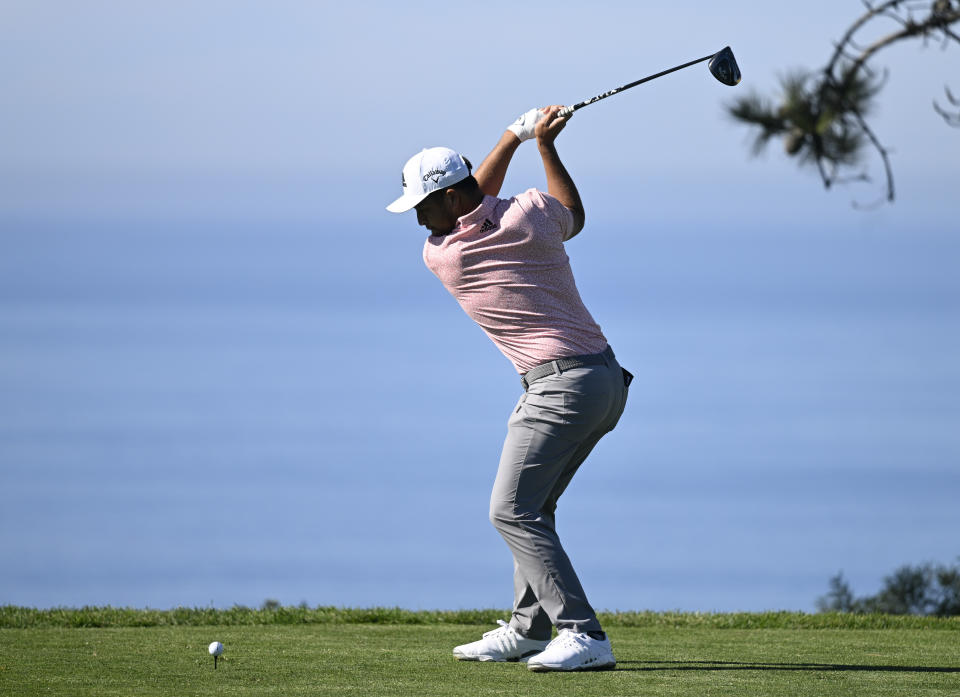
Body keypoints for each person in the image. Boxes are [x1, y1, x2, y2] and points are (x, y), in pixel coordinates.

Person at [386, 106, 631, 672]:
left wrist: (514, 136)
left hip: (559, 389)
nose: (420, 220)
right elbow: (570, 211)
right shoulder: (529, 215)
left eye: (423, 206)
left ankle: (582, 633)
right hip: (603, 381)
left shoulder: (444, 254)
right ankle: (528, 629)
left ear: (447, 200)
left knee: (510, 511)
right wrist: (539, 144)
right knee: (534, 507)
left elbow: (472, 197)